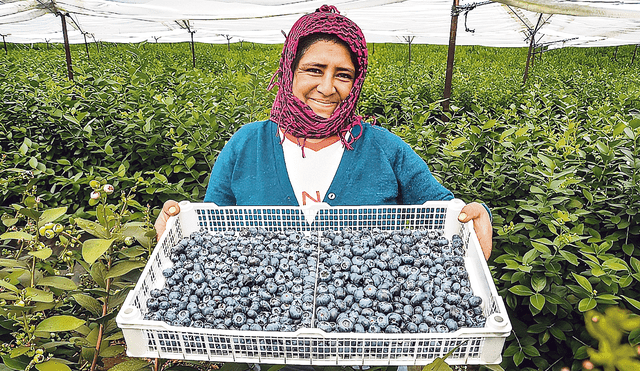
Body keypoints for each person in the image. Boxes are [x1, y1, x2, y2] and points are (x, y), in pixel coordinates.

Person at [155, 5, 492, 260]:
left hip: (366, 342)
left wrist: (475, 215)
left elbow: (447, 212)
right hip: (265, 341)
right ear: (289, 71)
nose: (327, 87)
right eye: (314, 70)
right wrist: (178, 223)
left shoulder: (385, 149)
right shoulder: (247, 144)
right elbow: (211, 226)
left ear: (356, 82)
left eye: (343, 75)